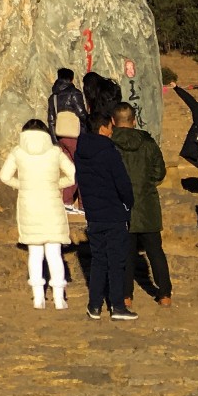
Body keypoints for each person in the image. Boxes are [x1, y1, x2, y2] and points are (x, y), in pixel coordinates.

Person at [0, 118, 75, 309]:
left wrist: (22, 185)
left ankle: (38, 297)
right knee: (55, 253)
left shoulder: (18, 152)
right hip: (51, 205)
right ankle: (59, 298)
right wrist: (56, 185)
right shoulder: (54, 152)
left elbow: (4, 176)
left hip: (29, 205)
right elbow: (74, 175)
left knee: (35, 253)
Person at [72, 109, 136, 321]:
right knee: (116, 261)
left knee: (98, 260)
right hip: (114, 214)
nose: (112, 130)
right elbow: (123, 184)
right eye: (110, 126)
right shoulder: (109, 152)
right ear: (102, 128)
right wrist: (129, 203)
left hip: (93, 214)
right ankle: (117, 306)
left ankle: (94, 305)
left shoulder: (81, 152)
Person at [111, 102, 172, 308]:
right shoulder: (148, 143)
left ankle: (126, 295)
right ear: (134, 120)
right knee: (155, 251)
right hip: (147, 205)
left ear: (113, 121)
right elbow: (159, 173)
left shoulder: (109, 144)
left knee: (125, 253)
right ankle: (164, 294)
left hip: (120, 206)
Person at [53, 109, 84, 213]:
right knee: (81, 168)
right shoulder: (75, 93)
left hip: (61, 134)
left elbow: (51, 117)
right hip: (74, 134)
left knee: (71, 169)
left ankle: (66, 201)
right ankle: (82, 204)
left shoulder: (54, 96)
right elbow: (81, 112)